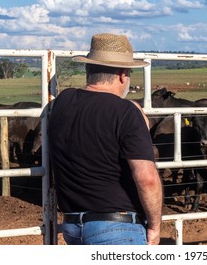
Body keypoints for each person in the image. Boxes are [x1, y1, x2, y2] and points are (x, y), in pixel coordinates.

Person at [48, 33, 163, 245]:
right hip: (117, 228)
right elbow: (147, 178)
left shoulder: (62, 102)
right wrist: (155, 226)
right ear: (123, 75)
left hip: (73, 226)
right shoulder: (126, 113)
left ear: (88, 70)